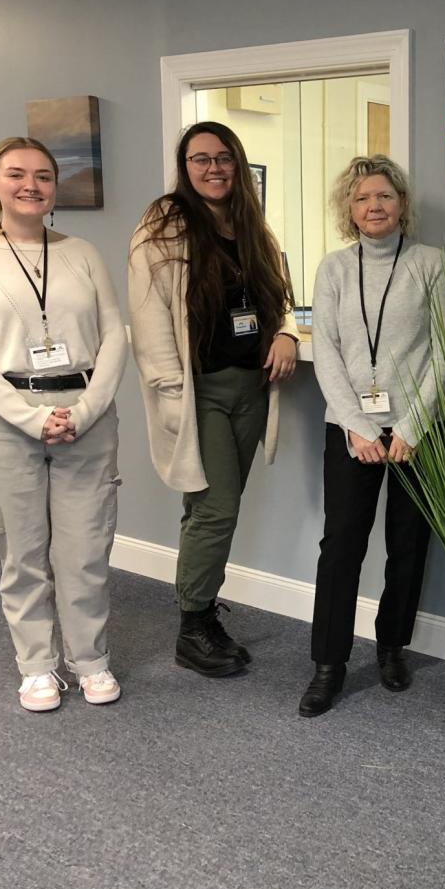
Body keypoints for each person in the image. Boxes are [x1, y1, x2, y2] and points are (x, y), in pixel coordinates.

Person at [0, 136, 127, 711]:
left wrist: (87, 408)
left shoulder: (83, 253)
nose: (31, 185)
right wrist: (29, 417)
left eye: (43, 175)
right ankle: (37, 665)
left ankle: (90, 659)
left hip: (83, 415)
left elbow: (115, 333)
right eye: (16, 174)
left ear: (54, 187)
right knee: (22, 551)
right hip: (1, 418)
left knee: (84, 550)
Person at [128, 121, 300, 678]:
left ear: (238, 163)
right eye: (200, 159)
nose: (213, 168)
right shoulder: (164, 226)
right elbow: (150, 318)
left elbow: (281, 300)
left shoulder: (254, 228)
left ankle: (198, 611)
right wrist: (171, 393)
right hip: (198, 390)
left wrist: (287, 333)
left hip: (250, 389)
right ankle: (193, 625)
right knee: (217, 507)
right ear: (185, 167)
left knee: (206, 509)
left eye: (224, 158)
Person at [299, 155, 443, 718]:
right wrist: (358, 427)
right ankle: (327, 665)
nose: (374, 206)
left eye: (384, 196)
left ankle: (391, 647)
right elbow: (327, 353)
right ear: (349, 210)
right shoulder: (334, 269)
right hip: (350, 430)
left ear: (402, 204)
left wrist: (411, 426)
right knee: (341, 549)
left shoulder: (431, 263)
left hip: (416, 431)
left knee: (408, 546)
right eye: (362, 199)